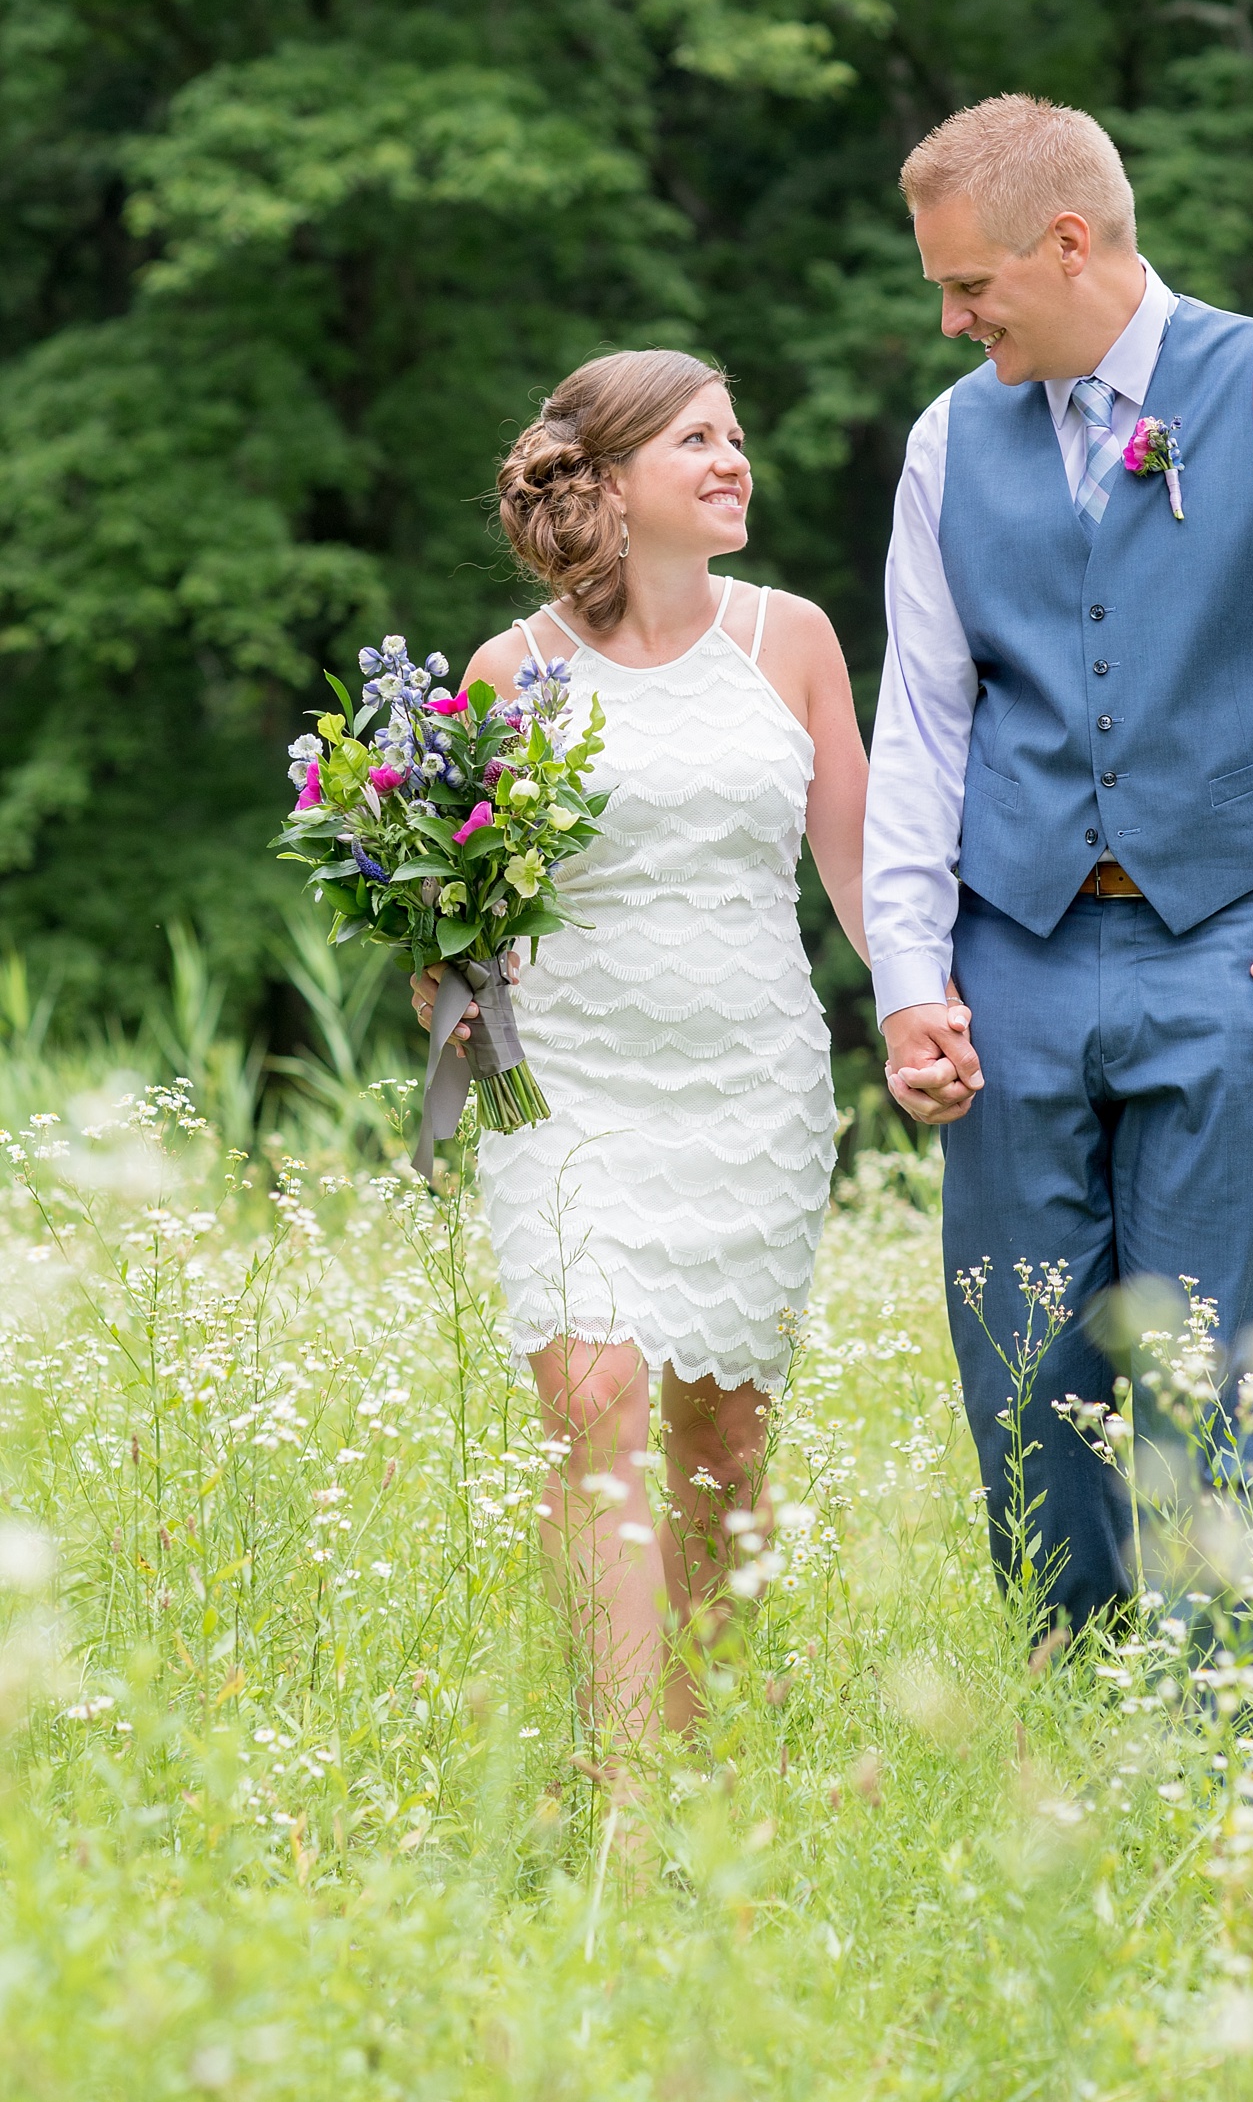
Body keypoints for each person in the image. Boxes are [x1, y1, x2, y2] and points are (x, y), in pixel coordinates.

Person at [866, 94, 1253, 1647]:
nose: (951, 317)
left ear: (1069, 242)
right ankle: (1064, 1705)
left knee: (1214, 1374)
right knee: (1019, 1364)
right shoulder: (948, 439)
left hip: (1244, 951)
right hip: (1014, 960)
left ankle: (1211, 1760)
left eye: (970, 284)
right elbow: (923, 729)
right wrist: (910, 981)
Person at [414, 349, 867, 1749]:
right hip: (572, 1087)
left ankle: (707, 1745)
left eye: (737, 437)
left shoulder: (793, 639)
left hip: (752, 1083)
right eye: (698, 440)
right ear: (606, 483)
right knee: (596, 1405)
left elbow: (864, 879)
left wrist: (930, 1015)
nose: (735, 459)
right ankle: (624, 1791)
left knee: (722, 1443)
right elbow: (455, 916)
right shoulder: (511, 670)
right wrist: (452, 993)